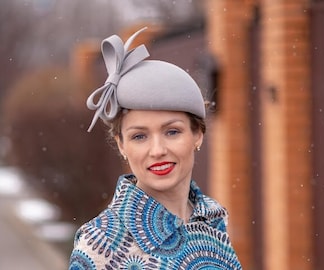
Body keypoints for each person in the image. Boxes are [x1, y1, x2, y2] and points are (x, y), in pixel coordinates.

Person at [68, 27, 242, 270]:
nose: (157, 150)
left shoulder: (213, 217)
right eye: (139, 136)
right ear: (122, 145)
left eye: (172, 131)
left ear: (197, 135)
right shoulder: (100, 243)